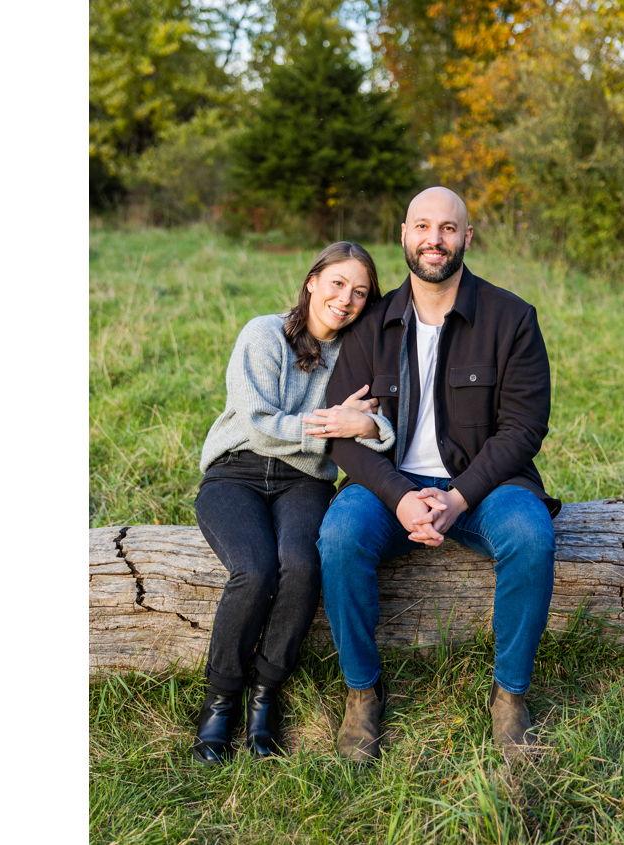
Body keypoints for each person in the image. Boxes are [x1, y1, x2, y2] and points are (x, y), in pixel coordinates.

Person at [318, 187, 562, 762]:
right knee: (339, 535)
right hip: (389, 486)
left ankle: (510, 696)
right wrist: (400, 496)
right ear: (404, 234)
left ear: (466, 237)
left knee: (531, 535)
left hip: (485, 486)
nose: (435, 239)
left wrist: (458, 497)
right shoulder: (371, 324)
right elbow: (341, 434)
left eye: (448, 228)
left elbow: (524, 428)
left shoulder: (511, 318)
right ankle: (362, 692)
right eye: (423, 227)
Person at [192, 242, 394, 765]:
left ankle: (265, 691)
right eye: (337, 284)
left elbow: (379, 428)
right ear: (312, 281)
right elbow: (259, 423)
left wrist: (369, 424)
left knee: (302, 567)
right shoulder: (263, 333)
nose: (345, 299)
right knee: (254, 570)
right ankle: (222, 697)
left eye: (360, 292)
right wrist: (333, 426)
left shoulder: (357, 355)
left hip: (304, 481)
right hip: (235, 472)